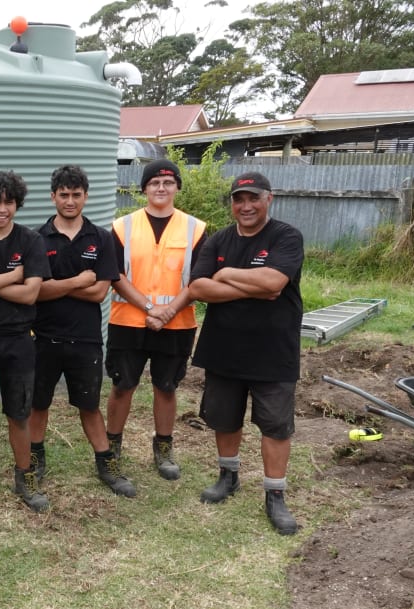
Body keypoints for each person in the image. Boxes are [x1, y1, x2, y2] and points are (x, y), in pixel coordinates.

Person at [188, 171, 304, 535]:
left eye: (253, 198)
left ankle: (275, 496)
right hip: (224, 348)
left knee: (275, 425)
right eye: (239, 199)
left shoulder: (286, 237)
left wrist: (225, 276)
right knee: (225, 418)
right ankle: (229, 476)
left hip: (273, 350)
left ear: (269, 199)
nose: (246, 205)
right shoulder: (218, 239)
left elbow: (274, 283)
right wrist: (247, 285)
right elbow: (198, 286)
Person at [27, 165, 131, 496]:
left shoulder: (101, 238)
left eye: (76, 195)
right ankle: (34, 461)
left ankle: (107, 464)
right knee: (38, 404)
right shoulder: (37, 238)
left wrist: (57, 284)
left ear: (85, 196)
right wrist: (78, 280)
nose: (70, 201)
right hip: (43, 336)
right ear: (53, 196)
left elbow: (100, 292)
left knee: (89, 406)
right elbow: (36, 292)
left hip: (85, 339)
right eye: (63, 195)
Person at [106, 160, 207, 481]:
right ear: (144, 189)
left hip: (177, 324)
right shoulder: (122, 226)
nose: (161, 188)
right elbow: (116, 276)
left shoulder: (196, 228)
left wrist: (167, 312)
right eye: (154, 183)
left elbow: (199, 279)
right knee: (123, 386)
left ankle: (163, 449)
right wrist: (151, 308)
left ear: (177, 187)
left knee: (166, 387)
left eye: (167, 182)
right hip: (128, 322)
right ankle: (112, 447)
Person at [0, 170, 51, 512]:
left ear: (17, 204)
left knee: (20, 414)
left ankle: (25, 479)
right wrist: (14, 274)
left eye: (9, 202)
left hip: (19, 340)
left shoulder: (30, 240)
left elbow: (31, 295)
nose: (3, 209)